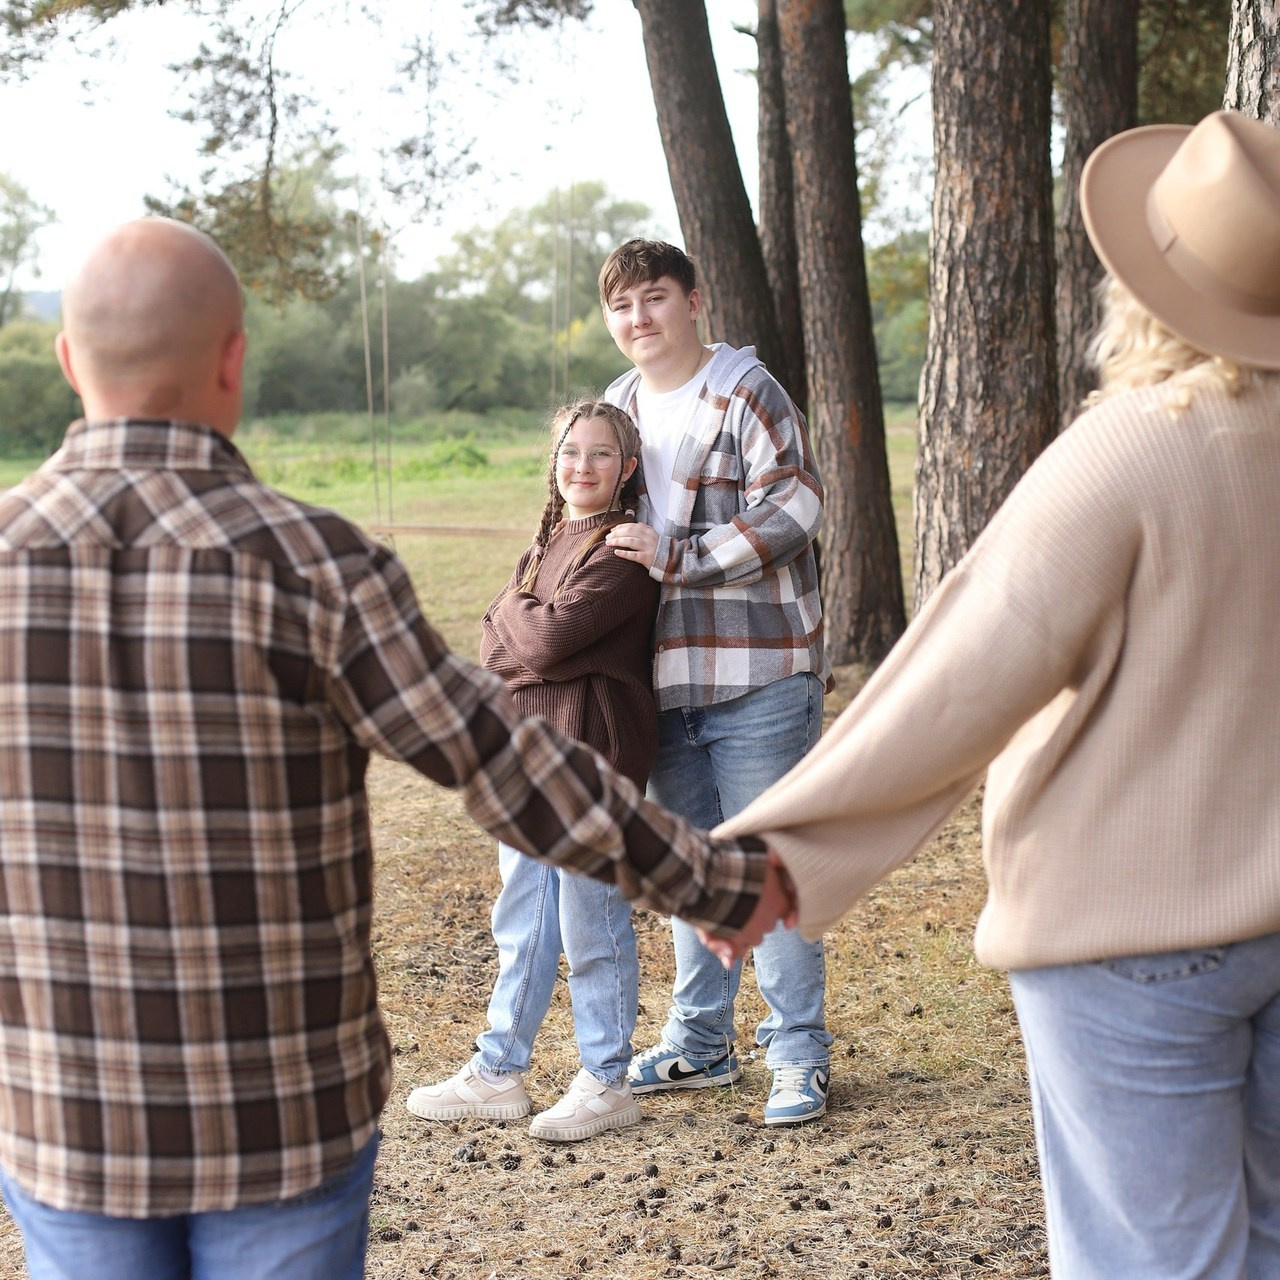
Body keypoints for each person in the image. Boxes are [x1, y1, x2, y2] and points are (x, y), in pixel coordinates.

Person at [0, 217, 780, 1280]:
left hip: (62, 1107)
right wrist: (716, 881)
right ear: (235, 359)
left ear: (65, 360)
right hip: (286, 1107)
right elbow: (504, 760)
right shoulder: (316, 566)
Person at [704, 111, 1280, 1279]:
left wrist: (775, 853)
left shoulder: (1132, 446)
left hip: (1127, 941)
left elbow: (959, 679)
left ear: (1140, 287)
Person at [598, 239, 834, 1126]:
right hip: (659, 681)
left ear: (694, 302)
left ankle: (798, 1052)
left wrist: (682, 556)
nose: (638, 320)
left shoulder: (745, 390)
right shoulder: (617, 405)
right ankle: (701, 1046)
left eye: (654, 299)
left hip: (757, 670)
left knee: (763, 864)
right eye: (622, 307)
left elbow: (797, 505)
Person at [405, 400, 659, 1142]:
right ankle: (499, 1072)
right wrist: (526, 618)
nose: (583, 466)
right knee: (524, 918)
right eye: (570, 452)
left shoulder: (624, 554)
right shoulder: (545, 546)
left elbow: (541, 642)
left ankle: (608, 1081)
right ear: (555, 464)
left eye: (602, 454)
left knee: (592, 921)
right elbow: (493, 649)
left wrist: (516, 606)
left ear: (628, 469)